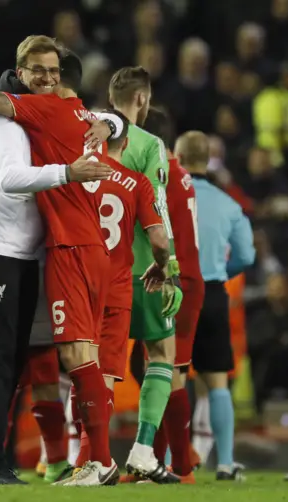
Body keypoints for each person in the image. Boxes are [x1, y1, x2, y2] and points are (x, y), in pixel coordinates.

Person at [0, 36, 122, 485]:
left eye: (53, 70)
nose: (48, 78)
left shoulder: (41, 111)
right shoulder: (6, 115)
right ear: (21, 71)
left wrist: (111, 123)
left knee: (11, 358)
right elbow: (11, 177)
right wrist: (70, 172)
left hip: (27, 249)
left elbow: (95, 116)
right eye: (37, 71)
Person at [81, 109, 170, 473]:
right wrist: (162, 266)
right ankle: (99, 460)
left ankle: (82, 458)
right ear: (128, 142)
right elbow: (160, 239)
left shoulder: (80, 176)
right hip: (119, 284)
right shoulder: (138, 182)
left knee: (79, 368)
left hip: (78, 282)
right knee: (105, 376)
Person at [106, 67, 183, 483]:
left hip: (93, 270)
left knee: (91, 366)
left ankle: (86, 455)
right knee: (161, 355)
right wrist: (168, 266)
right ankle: (142, 449)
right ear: (142, 100)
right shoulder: (149, 144)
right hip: (142, 270)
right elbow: (158, 208)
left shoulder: (89, 138)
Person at [175, 130, 255, 481]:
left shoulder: (165, 196)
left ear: (177, 157)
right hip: (212, 293)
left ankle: (166, 458)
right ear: (208, 160)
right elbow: (246, 256)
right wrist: (223, 271)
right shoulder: (229, 204)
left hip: (173, 291)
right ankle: (224, 462)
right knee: (218, 381)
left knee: (169, 376)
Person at [141, 107, 205, 483]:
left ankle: (180, 465)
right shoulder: (180, 175)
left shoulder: (162, 176)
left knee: (170, 371)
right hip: (185, 278)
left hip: (174, 279)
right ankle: (160, 459)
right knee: (157, 367)